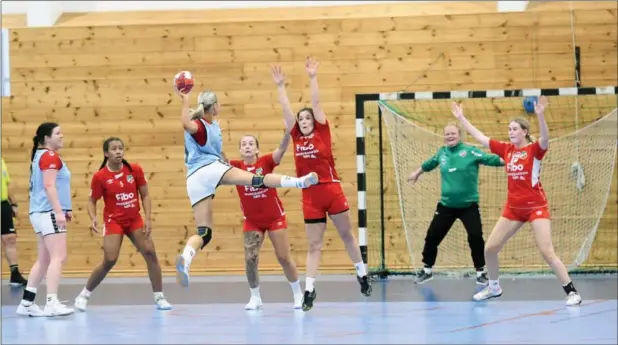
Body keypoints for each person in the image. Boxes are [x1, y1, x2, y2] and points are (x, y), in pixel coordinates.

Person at [173, 86, 319, 288]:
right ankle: (300, 182)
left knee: (204, 232)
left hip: (193, 179)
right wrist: (184, 100)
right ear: (214, 106)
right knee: (258, 179)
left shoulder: (213, 128)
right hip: (209, 169)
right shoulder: (203, 126)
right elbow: (187, 124)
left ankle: (186, 258)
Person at [451, 96, 582, 306]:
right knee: (490, 249)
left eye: (514, 129)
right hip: (513, 209)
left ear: (525, 131)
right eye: (509, 129)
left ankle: (572, 292)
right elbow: (482, 138)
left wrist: (540, 115)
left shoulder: (534, 150)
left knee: (547, 252)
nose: (510, 132)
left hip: (536, 207)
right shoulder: (507, 150)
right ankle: (494, 287)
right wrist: (462, 118)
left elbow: (545, 139)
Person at [271, 58, 372, 312]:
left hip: (331, 190)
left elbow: (316, 103)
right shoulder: (295, 136)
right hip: (310, 197)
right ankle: (310, 289)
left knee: (346, 235)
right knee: (314, 245)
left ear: (314, 121)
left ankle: (361, 273)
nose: (304, 121)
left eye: (307, 118)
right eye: (301, 119)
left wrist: (313, 77)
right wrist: (280, 86)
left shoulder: (322, 131)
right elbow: (285, 109)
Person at [73, 137, 172, 311]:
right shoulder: (100, 176)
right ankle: (84, 295)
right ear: (106, 153)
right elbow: (91, 201)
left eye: (120, 148)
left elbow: (146, 195)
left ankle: (159, 296)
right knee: (110, 259)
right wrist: (93, 217)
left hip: (134, 219)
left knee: (150, 253)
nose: (118, 151)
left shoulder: (134, 170)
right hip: (114, 221)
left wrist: (148, 218)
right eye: (113, 149)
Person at [407, 124, 504, 285]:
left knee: (475, 237)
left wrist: (509, 159)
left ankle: (481, 272)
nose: (450, 136)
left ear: (459, 136)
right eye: (447, 134)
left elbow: (491, 159)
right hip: (446, 206)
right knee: (432, 236)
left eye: (453, 133)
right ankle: (427, 271)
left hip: (468, 206)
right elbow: (429, 164)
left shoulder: (470, 151)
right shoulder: (441, 153)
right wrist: (416, 173)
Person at [229, 132, 303, 310]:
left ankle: (298, 294)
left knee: (284, 258)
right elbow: (217, 158)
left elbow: (282, 149)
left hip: (274, 218)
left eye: (251, 144)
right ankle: (255, 297)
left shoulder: (265, 162)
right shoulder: (235, 167)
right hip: (252, 221)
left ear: (257, 149)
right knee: (250, 258)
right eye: (244, 144)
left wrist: (287, 133)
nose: (247, 146)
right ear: (240, 150)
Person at [17, 122, 74, 317]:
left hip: (39, 213)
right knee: (59, 257)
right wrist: (59, 212)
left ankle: (26, 303)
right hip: (48, 212)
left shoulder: (42, 156)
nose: (62, 135)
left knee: (44, 260)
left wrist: (65, 208)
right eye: (58, 133)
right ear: (46, 138)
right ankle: (52, 302)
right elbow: (49, 186)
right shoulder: (49, 156)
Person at [1, 158, 28, 286]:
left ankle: (15, 274)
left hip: (3, 205)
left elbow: (7, 184)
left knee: (10, 238)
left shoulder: (1, 161)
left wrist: (14, 203)